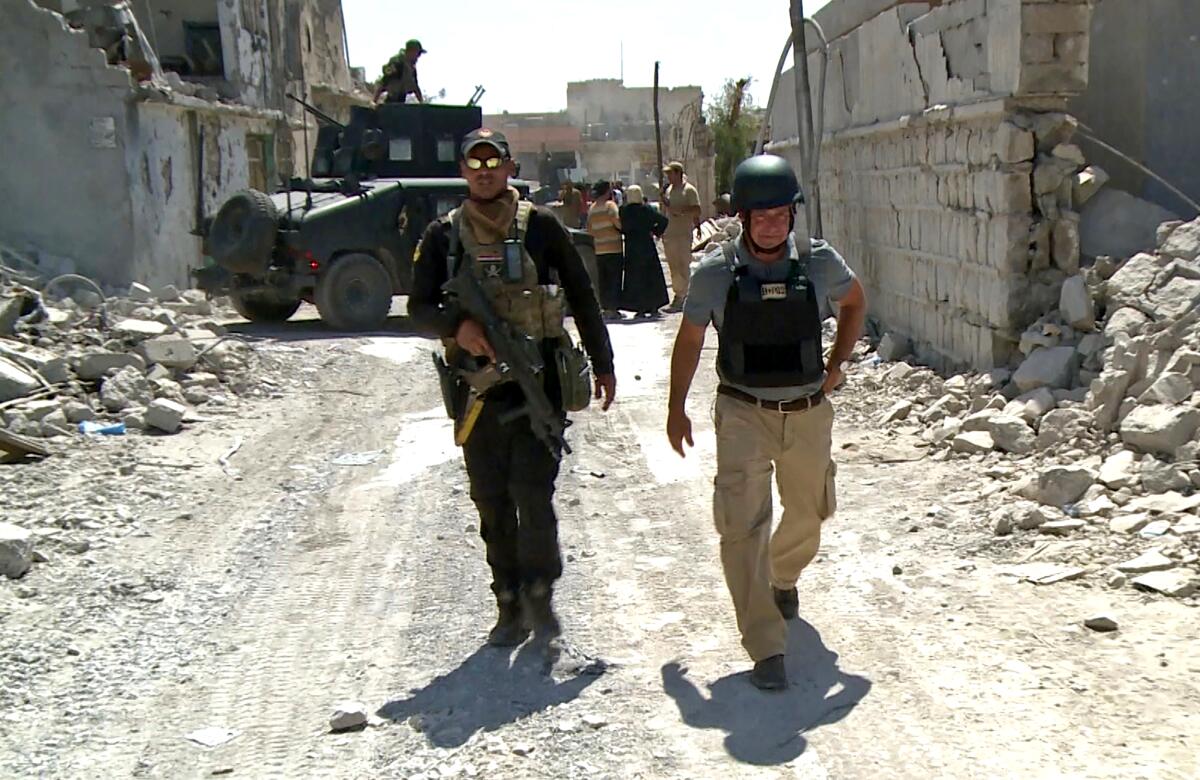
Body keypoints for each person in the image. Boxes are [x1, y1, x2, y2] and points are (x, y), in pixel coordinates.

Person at [665, 154, 867, 691]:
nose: (773, 224)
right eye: (762, 216)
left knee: (808, 513)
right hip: (742, 413)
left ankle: (784, 574)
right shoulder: (714, 274)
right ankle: (764, 643)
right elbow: (689, 340)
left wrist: (836, 365)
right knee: (741, 526)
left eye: (782, 214)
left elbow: (855, 301)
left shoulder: (817, 261)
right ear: (744, 217)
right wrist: (675, 407)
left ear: (793, 215)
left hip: (805, 413)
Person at [409, 128, 617, 647]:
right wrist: (457, 327)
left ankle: (540, 593)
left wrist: (604, 362)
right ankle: (506, 601)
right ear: (463, 171)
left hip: (537, 382)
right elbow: (418, 306)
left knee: (533, 492)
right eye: (474, 163)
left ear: (509, 169)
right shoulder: (443, 235)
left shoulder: (541, 226)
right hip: (478, 393)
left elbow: (582, 295)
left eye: (493, 163)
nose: (484, 172)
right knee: (491, 500)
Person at [617, 185, 670, 318]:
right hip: (647, 246)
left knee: (635, 279)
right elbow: (663, 221)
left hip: (631, 248)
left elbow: (620, 226)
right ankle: (653, 306)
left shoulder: (623, 211)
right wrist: (655, 231)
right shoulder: (646, 210)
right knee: (651, 277)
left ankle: (639, 308)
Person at [661, 161, 701, 312]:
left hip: (683, 233)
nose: (668, 177)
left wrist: (696, 225)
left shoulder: (689, 190)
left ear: (678, 173)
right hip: (670, 233)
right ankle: (679, 296)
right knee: (673, 266)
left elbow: (696, 209)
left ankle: (684, 297)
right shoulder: (669, 190)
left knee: (684, 264)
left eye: (670, 173)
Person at [587, 182, 624, 320]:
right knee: (614, 279)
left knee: (603, 280)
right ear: (607, 191)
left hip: (599, 249)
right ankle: (613, 309)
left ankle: (606, 308)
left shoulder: (592, 208)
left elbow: (589, 229)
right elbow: (618, 223)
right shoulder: (610, 206)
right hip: (613, 248)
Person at [374, 39, 426, 104]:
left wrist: (422, 103)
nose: (418, 57)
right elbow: (384, 81)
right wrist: (374, 101)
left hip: (401, 101)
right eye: (418, 53)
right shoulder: (398, 63)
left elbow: (415, 87)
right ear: (411, 51)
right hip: (391, 101)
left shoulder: (411, 68)